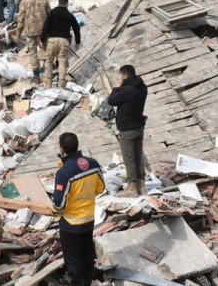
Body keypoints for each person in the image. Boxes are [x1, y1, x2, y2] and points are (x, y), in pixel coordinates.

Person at [52, 132, 104, 286]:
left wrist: (55, 210)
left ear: (62, 149)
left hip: (71, 224)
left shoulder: (64, 172)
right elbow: (100, 189)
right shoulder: (93, 164)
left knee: (73, 260)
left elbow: (59, 205)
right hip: (88, 220)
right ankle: (87, 282)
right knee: (87, 255)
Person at [107, 65, 148, 197]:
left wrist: (117, 87)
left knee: (129, 159)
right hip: (138, 127)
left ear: (125, 75)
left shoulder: (127, 90)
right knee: (138, 156)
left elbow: (111, 100)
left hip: (127, 129)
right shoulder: (142, 87)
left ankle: (132, 189)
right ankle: (142, 186)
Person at [40, 0, 80, 89]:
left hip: (52, 40)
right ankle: (61, 85)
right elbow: (76, 28)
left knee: (49, 61)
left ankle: (48, 85)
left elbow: (46, 27)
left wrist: (43, 40)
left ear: (58, 3)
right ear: (66, 3)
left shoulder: (52, 13)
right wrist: (77, 42)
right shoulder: (69, 15)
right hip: (64, 41)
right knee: (62, 62)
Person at [16, 0, 51, 83]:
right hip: (43, 29)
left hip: (30, 29)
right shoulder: (44, 0)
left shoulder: (24, 1)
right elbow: (50, 15)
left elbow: (21, 17)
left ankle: (36, 76)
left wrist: (18, 31)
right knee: (47, 48)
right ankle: (49, 68)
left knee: (32, 51)